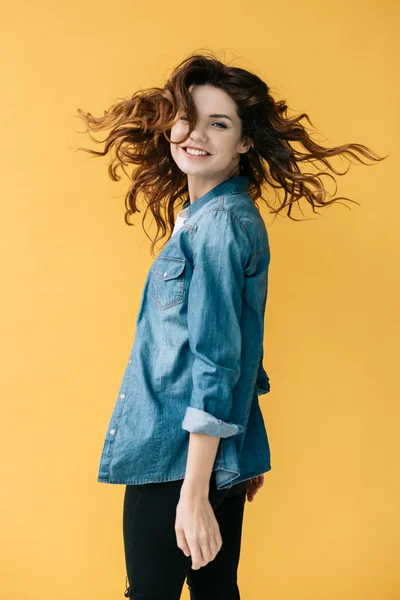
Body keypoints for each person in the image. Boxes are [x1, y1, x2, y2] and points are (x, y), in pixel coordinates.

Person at [75, 50, 387, 600]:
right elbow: (238, 343)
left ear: (244, 142)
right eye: (187, 118)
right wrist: (238, 447)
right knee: (217, 592)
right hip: (213, 451)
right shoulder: (215, 215)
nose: (195, 134)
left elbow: (217, 361)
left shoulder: (215, 226)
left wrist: (194, 493)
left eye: (218, 123)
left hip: (174, 459)